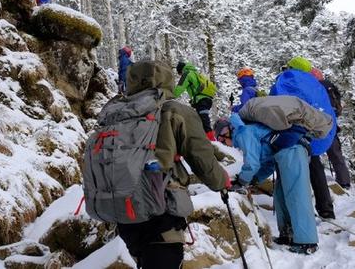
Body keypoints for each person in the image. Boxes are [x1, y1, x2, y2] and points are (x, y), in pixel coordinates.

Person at [116, 61, 231, 268]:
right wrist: (221, 181)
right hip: (160, 207)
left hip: (124, 210)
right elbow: (201, 156)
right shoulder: (174, 111)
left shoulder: (117, 113)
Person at [221, 106, 320, 255]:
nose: (222, 141)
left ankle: (308, 242)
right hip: (284, 152)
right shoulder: (249, 132)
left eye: (221, 137)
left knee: (296, 194)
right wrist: (253, 179)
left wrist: (241, 181)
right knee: (280, 195)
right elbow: (267, 164)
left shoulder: (242, 131)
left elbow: (252, 163)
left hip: (292, 149)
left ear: (227, 131)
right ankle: (288, 235)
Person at [274, 57, 337, 219]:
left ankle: (293, 217)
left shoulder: (287, 80)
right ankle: (326, 210)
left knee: (288, 171)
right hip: (315, 133)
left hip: (292, 132)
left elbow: (275, 101)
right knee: (316, 168)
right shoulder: (316, 84)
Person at [311, 67, 351, 189]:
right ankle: (344, 182)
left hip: (317, 123)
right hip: (331, 123)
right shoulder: (330, 86)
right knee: (336, 154)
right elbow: (338, 106)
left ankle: (315, 180)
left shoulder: (314, 87)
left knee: (313, 153)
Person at [173, 61, 215, 140]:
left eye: (179, 74)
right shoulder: (195, 73)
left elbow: (180, 87)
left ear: (181, 71)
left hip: (201, 100)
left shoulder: (187, 74)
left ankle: (211, 139)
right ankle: (208, 138)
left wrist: (170, 95)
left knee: (203, 119)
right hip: (208, 99)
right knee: (201, 119)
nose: (180, 76)